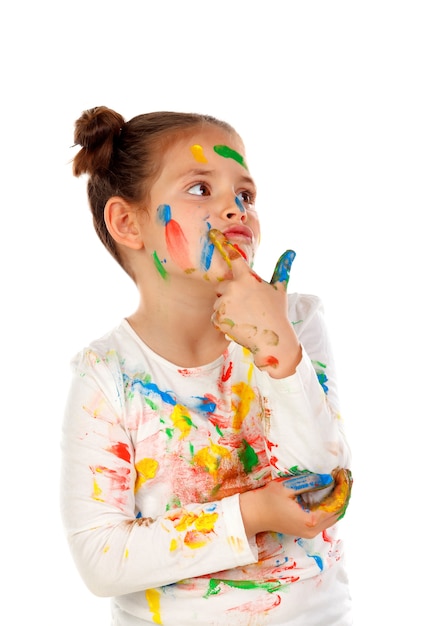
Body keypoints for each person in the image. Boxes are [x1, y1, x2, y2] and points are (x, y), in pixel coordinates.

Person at [60, 106, 353, 626]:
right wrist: (252, 514)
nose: (237, 209)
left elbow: (325, 489)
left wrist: (279, 351)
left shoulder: (296, 321)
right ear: (129, 223)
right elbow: (100, 559)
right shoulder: (106, 372)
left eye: (246, 195)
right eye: (201, 190)